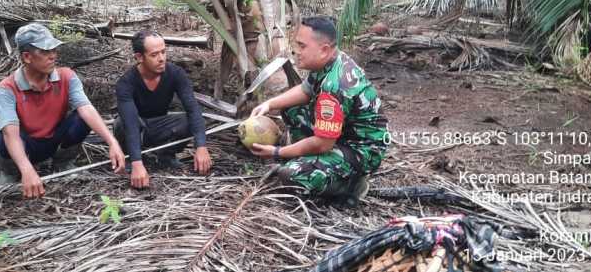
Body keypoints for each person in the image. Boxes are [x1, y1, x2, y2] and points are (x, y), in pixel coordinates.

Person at [248, 16, 389, 204]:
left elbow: (323, 143)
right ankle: (308, 159)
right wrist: (270, 104)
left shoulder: (335, 86)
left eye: (302, 46)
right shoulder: (329, 61)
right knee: (290, 107)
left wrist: (277, 152)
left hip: (361, 150)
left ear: (324, 50)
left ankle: (351, 185)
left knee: (292, 175)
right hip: (341, 135)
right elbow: (305, 90)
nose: (295, 51)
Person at [0, 23, 126, 198]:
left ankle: (64, 162)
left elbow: (86, 108)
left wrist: (112, 142)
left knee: (82, 118)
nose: (53, 56)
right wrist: (26, 169)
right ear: (27, 57)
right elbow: (11, 134)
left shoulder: (66, 76)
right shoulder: (7, 88)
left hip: (52, 140)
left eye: (54, 50)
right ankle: (10, 173)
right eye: (45, 52)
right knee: (4, 134)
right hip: (24, 145)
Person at [114, 30, 213, 189]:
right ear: (139, 57)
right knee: (121, 123)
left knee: (190, 119)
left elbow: (193, 108)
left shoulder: (175, 74)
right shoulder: (126, 83)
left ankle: (165, 155)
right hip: (135, 129)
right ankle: (130, 158)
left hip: (159, 127)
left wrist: (201, 146)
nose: (161, 59)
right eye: (154, 55)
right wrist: (137, 163)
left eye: (163, 52)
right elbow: (131, 124)